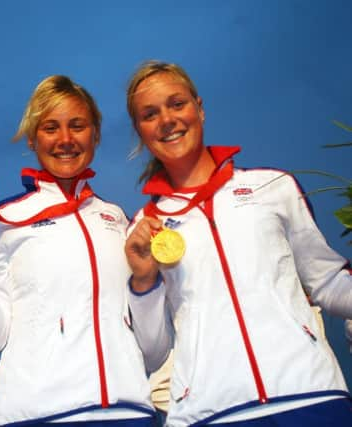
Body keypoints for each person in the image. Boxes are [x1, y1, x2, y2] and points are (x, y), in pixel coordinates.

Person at [123, 60, 352, 426]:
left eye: (177, 104)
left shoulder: (273, 186)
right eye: (150, 113)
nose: (167, 119)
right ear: (140, 129)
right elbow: (152, 352)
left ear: (199, 107)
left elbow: (327, 282)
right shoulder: (145, 228)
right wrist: (143, 282)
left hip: (310, 395)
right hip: (209, 413)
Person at [0, 75, 160, 426]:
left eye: (77, 126)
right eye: (51, 128)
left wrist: (147, 282)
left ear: (95, 134)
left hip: (128, 412)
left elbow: (150, 345)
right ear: (34, 138)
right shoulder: (4, 221)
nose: (65, 140)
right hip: (37, 414)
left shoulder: (118, 221)